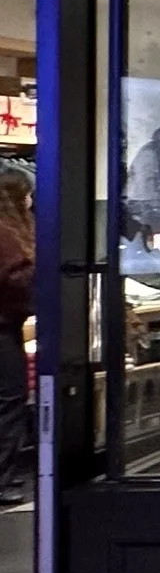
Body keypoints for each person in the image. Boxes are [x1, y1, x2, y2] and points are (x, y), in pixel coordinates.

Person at [0, 162, 33, 504]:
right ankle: (3, 478)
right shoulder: (8, 235)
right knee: (10, 401)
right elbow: (16, 280)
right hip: (3, 328)